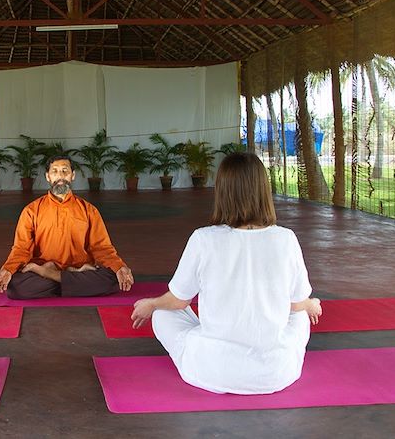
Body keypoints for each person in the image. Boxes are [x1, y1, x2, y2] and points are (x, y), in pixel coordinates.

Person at [131, 152, 322, 395]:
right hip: (274, 373)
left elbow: (179, 300)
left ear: (222, 191)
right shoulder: (286, 239)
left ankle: (209, 342)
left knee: (161, 314)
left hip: (213, 369)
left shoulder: (204, 238)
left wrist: (151, 304)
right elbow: (296, 305)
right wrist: (312, 304)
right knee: (302, 316)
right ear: (263, 190)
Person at [0, 155, 134, 299]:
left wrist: (119, 266)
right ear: (48, 176)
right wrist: (7, 270)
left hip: (76, 268)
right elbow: (21, 249)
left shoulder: (89, 210)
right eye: (55, 171)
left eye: (65, 171)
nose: (60, 176)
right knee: (15, 287)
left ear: (73, 175)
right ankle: (70, 281)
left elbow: (102, 248)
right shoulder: (32, 210)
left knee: (113, 279)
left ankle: (52, 275)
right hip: (53, 268)